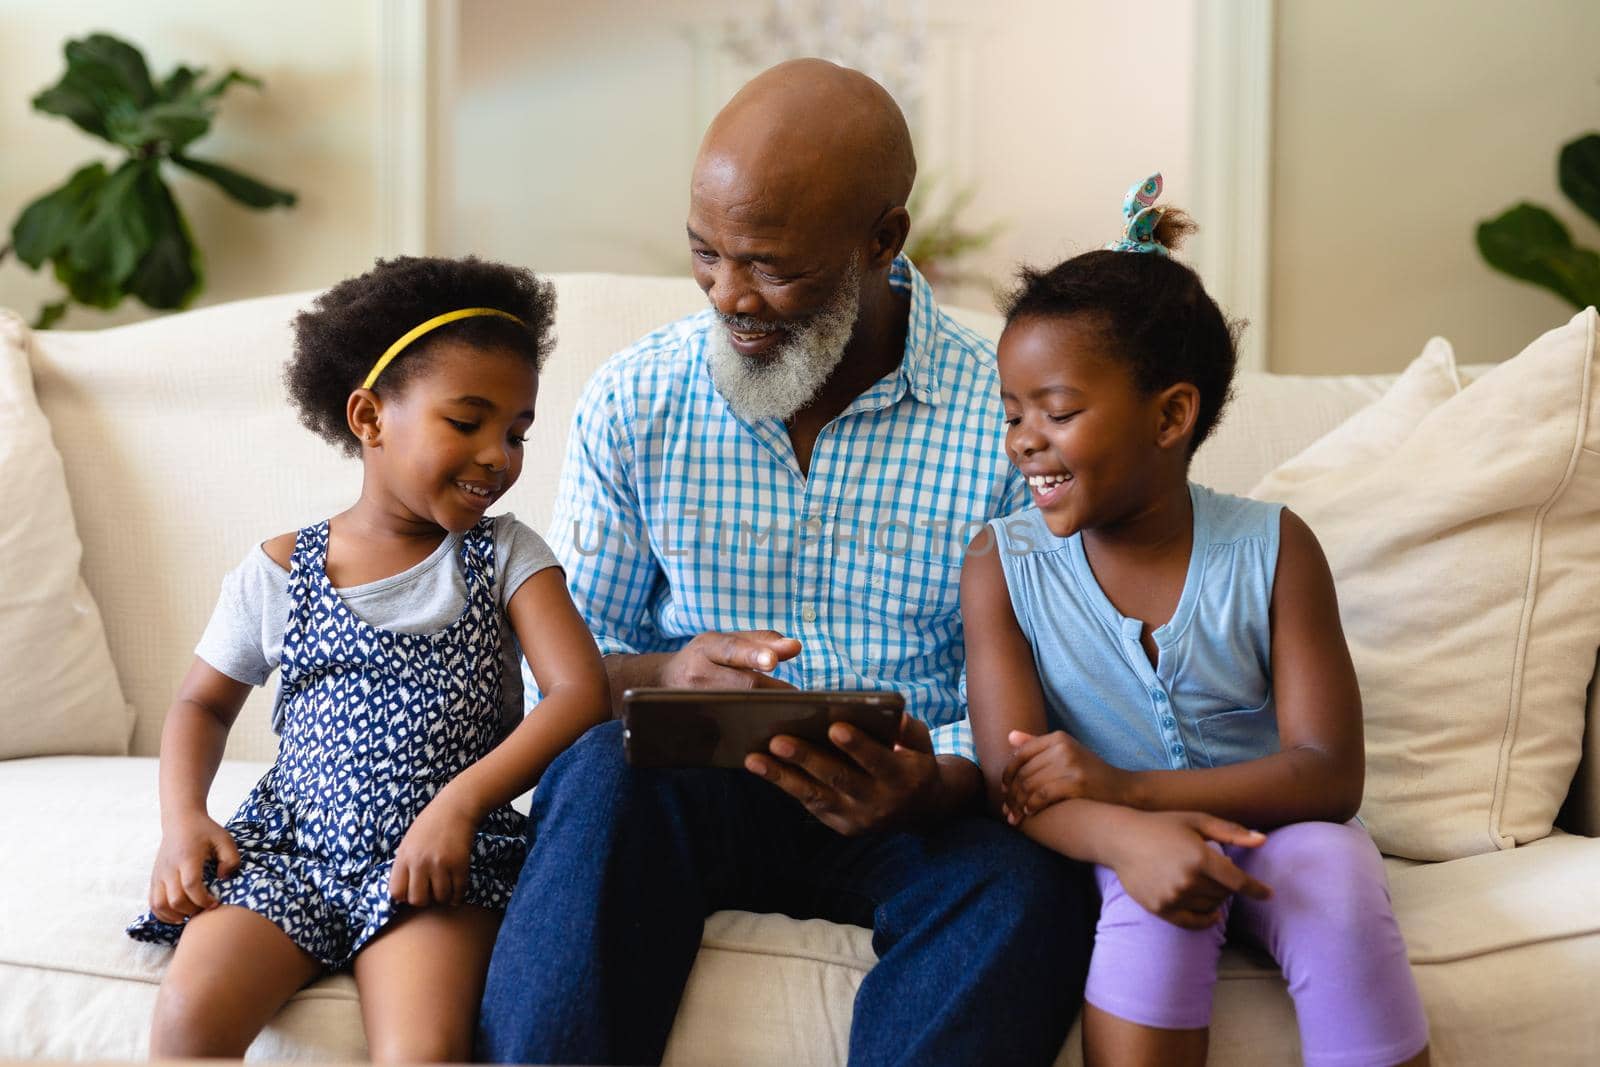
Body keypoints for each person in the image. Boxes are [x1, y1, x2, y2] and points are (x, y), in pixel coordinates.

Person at [478, 59, 1092, 1066]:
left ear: (882, 241)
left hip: (924, 806)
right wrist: (662, 675)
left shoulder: (1009, 423)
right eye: (705, 254)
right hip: (684, 790)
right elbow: (570, 661)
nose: (731, 295)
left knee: (1026, 886)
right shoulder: (638, 401)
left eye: (771, 265)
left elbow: (1057, 694)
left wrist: (933, 783)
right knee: (598, 776)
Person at [961, 175, 1431, 1067]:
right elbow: (1009, 783)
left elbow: (1329, 776)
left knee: (1333, 871)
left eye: (1057, 413)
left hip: (1282, 835)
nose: (1024, 439)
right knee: (1152, 901)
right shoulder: (1001, 567)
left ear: (1172, 414)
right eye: (1013, 413)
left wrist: (1130, 787)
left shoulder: (1275, 548)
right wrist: (1130, 828)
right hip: (1117, 847)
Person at [126, 256, 611, 1062]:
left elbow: (579, 692)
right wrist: (184, 821)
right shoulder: (280, 569)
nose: (499, 454)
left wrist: (458, 807)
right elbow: (200, 706)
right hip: (290, 850)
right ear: (369, 416)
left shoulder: (507, 555)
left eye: (518, 431)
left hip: (434, 866)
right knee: (188, 1018)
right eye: (468, 421)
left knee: (421, 1050)